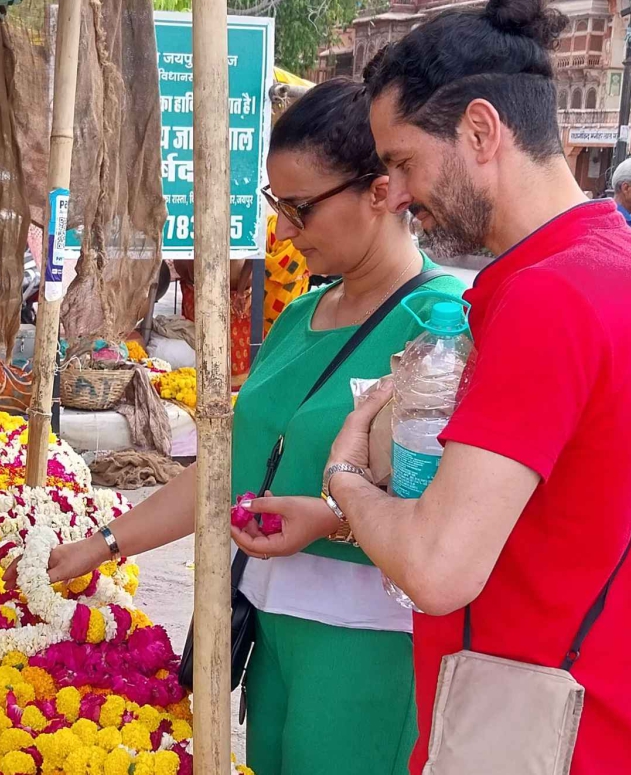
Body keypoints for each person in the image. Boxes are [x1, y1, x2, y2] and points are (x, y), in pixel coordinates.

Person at [234, 0, 631, 775]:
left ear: (481, 132)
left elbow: (438, 567)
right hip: (573, 717)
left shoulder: (553, 297)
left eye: (405, 162)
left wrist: (345, 474)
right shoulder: (617, 269)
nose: (400, 195)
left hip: (530, 726)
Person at [40, 79, 466, 775]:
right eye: (278, 206)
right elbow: (229, 466)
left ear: (382, 191)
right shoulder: (301, 316)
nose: (287, 231)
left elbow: (452, 513)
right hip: (268, 631)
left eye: (301, 208)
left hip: (369, 646)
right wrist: (105, 541)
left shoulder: (442, 330)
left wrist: (333, 518)